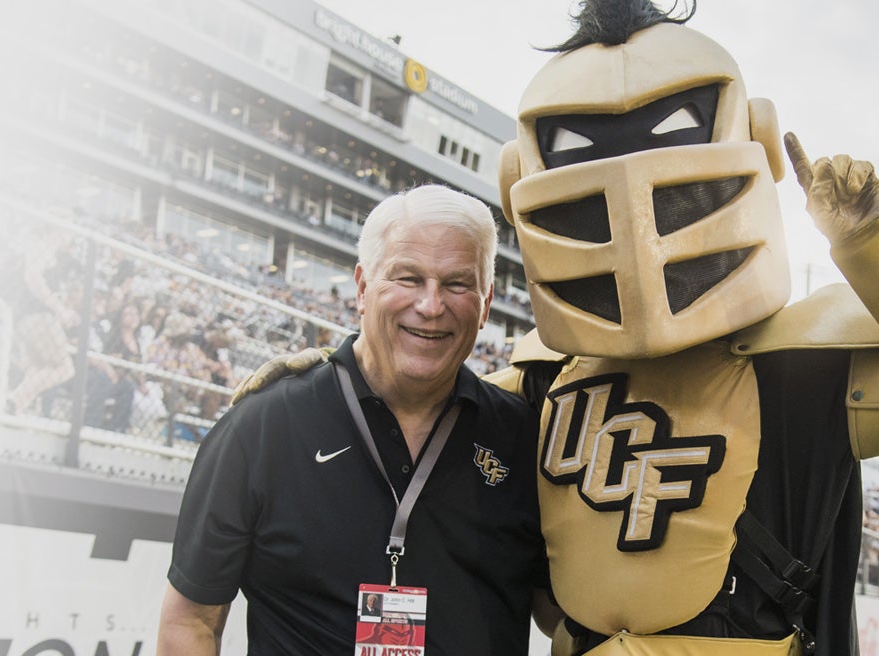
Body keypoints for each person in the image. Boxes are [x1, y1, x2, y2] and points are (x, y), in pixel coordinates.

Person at [234, 2, 879, 653]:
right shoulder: (544, 376)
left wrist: (870, 245)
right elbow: (420, 399)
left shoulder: (805, 361)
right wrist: (334, 378)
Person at [157, 185, 555, 655]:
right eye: (407, 277)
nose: (430, 306)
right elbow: (191, 620)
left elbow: (560, 615)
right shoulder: (264, 426)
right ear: (363, 289)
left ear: (486, 303)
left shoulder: (528, 439)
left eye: (456, 284)